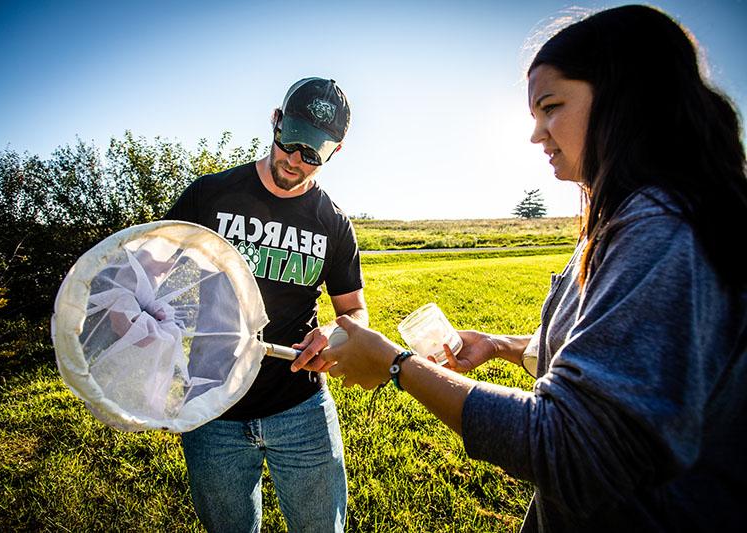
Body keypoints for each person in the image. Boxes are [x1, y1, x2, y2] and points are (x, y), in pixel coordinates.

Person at [322, 5, 747, 532]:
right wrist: (501, 346)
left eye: (550, 107)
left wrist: (396, 365)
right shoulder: (627, 217)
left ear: (625, 98)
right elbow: (612, 347)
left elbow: (572, 448)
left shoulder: (659, 229)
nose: (537, 134)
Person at [165, 77, 368, 532]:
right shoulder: (208, 195)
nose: (295, 159)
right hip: (211, 406)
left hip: (300, 408)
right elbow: (157, 275)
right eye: (290, 140)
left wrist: (336, 333)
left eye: (313, 152)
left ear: (336, 151)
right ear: (275, 121)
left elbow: (354, 310)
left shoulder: (333, 223)